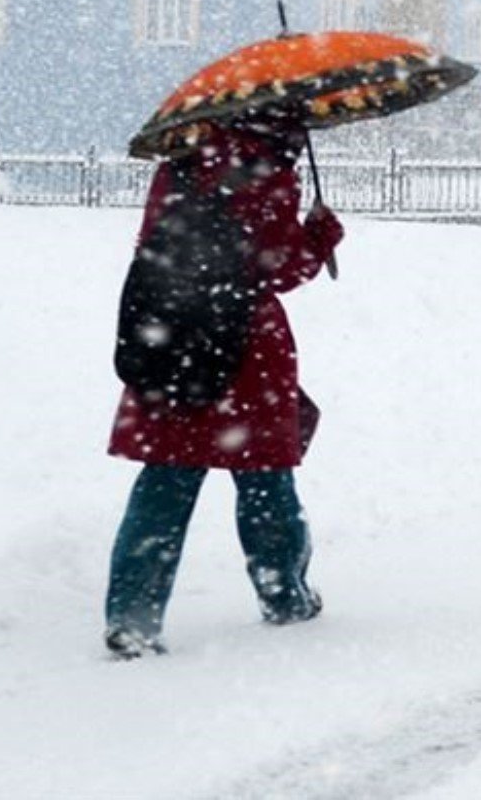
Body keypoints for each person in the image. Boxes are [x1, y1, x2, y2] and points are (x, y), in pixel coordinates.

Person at [103, 123, 343, 660]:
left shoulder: (180, 161)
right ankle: (285, 595)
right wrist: (320, 237)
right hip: (244, 346)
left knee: (165, 480)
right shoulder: (269, 171)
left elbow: (154, 244)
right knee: (265, 480)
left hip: (174, 334)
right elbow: (277, 268)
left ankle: (132, 617)